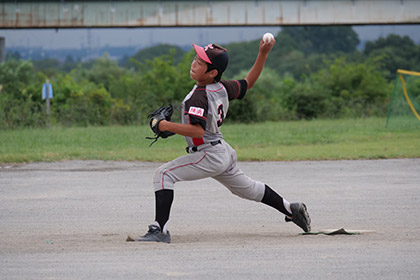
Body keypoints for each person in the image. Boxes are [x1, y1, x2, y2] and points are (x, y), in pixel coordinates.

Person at [136, 37, 311, 243]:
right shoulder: (222, 87)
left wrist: (164, 125)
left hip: (208, 154)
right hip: (222, 151)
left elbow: (197, 131)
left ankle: (160, 230)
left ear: (212, 73)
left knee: (163, 174)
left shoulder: (198, 96)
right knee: (249, 189)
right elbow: (248, 83)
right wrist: (263, 54)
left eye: (201, 63)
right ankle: (291, 208)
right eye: (195, 58)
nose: (194, 63)